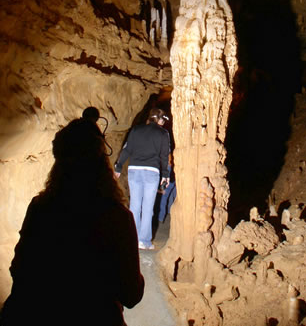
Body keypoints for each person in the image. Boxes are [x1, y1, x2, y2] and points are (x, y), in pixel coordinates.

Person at [0, 117, 144, 326]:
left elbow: (19, 268)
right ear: (101, 162)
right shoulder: (117, 217)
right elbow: (131, 294)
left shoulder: (41, 208)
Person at [114, 108, 170, 250]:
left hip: (134, 170)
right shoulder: (163, 133)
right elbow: (164, 156)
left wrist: (118, 167)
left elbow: (127, 149)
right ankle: (144, 241)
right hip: (152, 172)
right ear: (158, 119)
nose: (163, 122)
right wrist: (165, 175)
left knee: (134, 205)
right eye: (163, 120)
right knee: (147, 207)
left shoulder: (136, 130)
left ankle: (133, 238)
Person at [158, 153, 177, 223]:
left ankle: (161, 217)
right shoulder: (172, 165)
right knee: (173, 197)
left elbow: (166, 177)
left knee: (164, 199)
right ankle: (170, 212)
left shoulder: (168, 167)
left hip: (171, 181)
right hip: (175, 180)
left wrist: (162, 189)